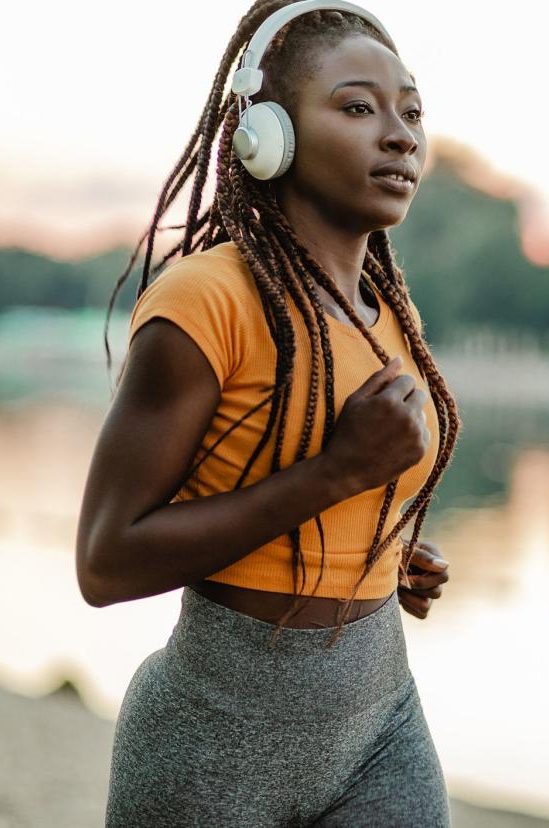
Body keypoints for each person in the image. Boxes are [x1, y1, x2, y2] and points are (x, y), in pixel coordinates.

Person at [74, 1, 463, 824]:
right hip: (214, 741)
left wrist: (385, 547)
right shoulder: (203, 304)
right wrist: (337, 474)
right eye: (358, 107)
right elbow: (105, 564)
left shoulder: (393, 314)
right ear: (267, 135)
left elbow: (307, 492)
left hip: (380, 724)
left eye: (412, 111)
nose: (400, 135)